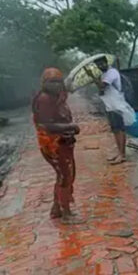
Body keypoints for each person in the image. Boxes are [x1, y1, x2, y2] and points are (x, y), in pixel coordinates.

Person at [32, 68, 80, 220]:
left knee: (65, 175)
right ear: (44, 83)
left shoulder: (57, 97)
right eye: (52, 82)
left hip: (63, 142)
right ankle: (66, 213)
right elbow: (46, 125)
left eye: (59, 81)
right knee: (65, 176)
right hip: (53, 144)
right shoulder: (45, 99)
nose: (56, 85)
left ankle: (56, 209)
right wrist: (70, 126)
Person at [94, 56, 128, 164]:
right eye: (98, 65)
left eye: (102, 63)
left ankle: (122, 155)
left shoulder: (112, 72)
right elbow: (101, 92)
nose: (100, 66)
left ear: (106, 62)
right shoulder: (103, 74)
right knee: (115, 129)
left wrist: (94, 78)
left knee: (119, 129)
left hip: (116, 104)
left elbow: (102, 86)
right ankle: (119, 153)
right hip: (109, 105)